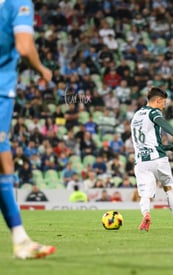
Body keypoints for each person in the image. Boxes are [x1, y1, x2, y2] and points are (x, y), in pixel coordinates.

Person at [0, 0, 55, 259]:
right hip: (0, 91)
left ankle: (21, 238)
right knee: (3, 164)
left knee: (4, 161)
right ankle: (21, 241)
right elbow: (23, 47)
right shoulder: (18, 2)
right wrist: (42, 69)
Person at [131, 87, 173, 231]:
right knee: (168, 189)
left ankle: (146, 214)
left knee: (145, 195)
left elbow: (149, 142)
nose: (164, 105)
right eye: (163, 102)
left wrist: (170, 147)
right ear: (158, 100)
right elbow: (167, 127)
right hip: (158, 159)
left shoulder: (136, 115)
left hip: (141, 161)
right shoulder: (154, 112)